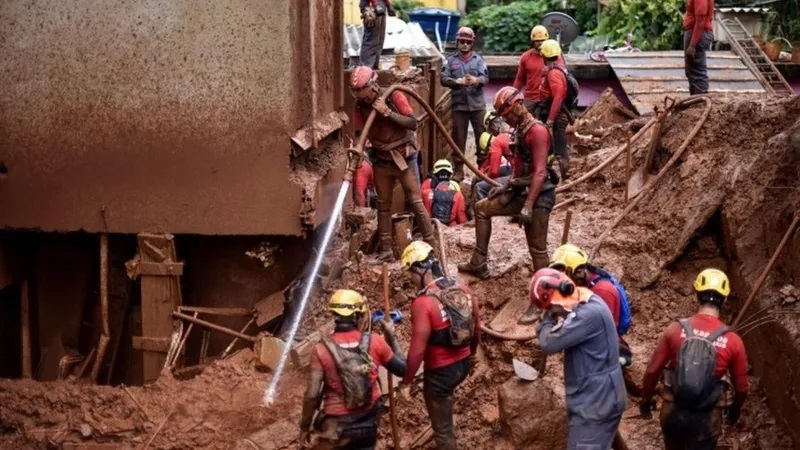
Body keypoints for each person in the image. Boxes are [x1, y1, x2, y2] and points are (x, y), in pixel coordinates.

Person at [640, 268, 749, 450]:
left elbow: (652, 372)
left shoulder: (675, 329)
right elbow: (743, 388)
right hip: (706, 421)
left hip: (672, 414)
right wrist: (734, 411)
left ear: (697, 295)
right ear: (724, 299)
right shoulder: (733, 340)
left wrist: (645, 400)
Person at [458, 86, 556, 282]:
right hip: (521, 191)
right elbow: (519, 168)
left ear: (518, 106)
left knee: (537, 249)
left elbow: (540, 172)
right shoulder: (521, 129)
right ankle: (479, 262)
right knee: (481, 208)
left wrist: (528, 206)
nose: (506, 119)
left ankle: (544, 298)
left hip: (539, 196)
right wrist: (505, 187)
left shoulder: (537, 131)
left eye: (507, 114)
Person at [532, 268, 627, 450]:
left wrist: (547, 320)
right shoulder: (586, 299)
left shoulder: (587, 314)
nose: (556, 313)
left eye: (551, 308)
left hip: (596, 404)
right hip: (600, 398)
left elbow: (548, 343)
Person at [299, 289, 406, 449]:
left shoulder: (321, 350)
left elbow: (312, 395)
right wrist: (391, 335)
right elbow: (403, 369)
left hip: (337, 426)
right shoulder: (375, 341)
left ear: (334, 315)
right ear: (358, 315)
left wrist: (304, 427)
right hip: (369, 423)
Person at [399, 241, 481, 450]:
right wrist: (471, 355)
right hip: (463, 364)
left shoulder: (423, 303)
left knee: (442, 432)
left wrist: (407, 381)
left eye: (411, 273)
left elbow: (417, 351)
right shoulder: (463, 288)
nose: (411, 279)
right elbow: (476, 328)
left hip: (439, 374)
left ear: (419, 269)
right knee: (446, 409)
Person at [350, 66, 437, 260]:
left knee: (415, 201)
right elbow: (359, 133)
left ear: (372, 86)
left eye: (362, 92)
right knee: (383, 204)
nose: (360, 96)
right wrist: (358, 149)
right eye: (356, 92)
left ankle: (431, 245)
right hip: (381, 159)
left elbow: (412, 123)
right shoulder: (360, 106)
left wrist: (387, 112)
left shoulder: (394, 95)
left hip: (403, 157)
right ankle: (386, 250)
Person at [548, 243, 633, 363]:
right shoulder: (587, 284)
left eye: (565, 276)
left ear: (579, 271)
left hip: (604, 347)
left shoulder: (602, 291)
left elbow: (600, 329)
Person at [440, 27, 489, 182]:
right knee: (458, 139)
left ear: (472, 43)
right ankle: (459, 170)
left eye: (468, 42)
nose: (465, 45)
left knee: (482, 138)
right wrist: (456, 82)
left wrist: (476, 80)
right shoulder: (450, 60)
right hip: (459, 106)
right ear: (457, 42)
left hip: (477, 106)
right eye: (462, 41)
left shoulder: (478, 60)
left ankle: (483, 169)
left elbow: (485, 78)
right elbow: (443, 78)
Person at [539, 39, 572, 181]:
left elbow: (558, 97)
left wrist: (551, 120)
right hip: (555, 112)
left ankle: (566, 177)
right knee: (552, 146)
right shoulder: (558, 68)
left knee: (560, 148)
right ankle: (551, 174)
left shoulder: (554, 74)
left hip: (557, 114)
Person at [513, 25, 565, 114]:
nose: (540, 43)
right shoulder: (526, 57)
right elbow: (519, 79)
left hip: (548, 99)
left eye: (542, 40)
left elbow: (562, 77)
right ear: (533, 41)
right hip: (530, 99)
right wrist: (512, 96)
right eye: (537, 40)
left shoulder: (555, 57)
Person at [473, 112, 514, 202]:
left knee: (479, 187)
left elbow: (494, 172)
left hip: (514, 175)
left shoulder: (498, 141)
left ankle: (480, 213)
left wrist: (486, 176)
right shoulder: (514, 131)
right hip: (520, 173)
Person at [421, 159, 468, 226]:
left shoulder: (426, 193)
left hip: (431, 228)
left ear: (434, 175)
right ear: (451, 175)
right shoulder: (458, 195)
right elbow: (462, 219)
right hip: (451, 230)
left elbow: (424, 218)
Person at [684, 0, 714, 95]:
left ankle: (700, 101)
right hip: (696, 32)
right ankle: (695, 100)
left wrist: (693, 45)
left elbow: (700, 20)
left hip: (697, 33)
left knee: (697, 71)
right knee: (692, 69)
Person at [359, 0, 393, 70]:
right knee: (371, 40)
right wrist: (375, 3)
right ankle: (366, 69)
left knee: (379, 40)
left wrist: (388, 4)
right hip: (371, 5)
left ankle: (373, 67)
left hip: (381, 5)